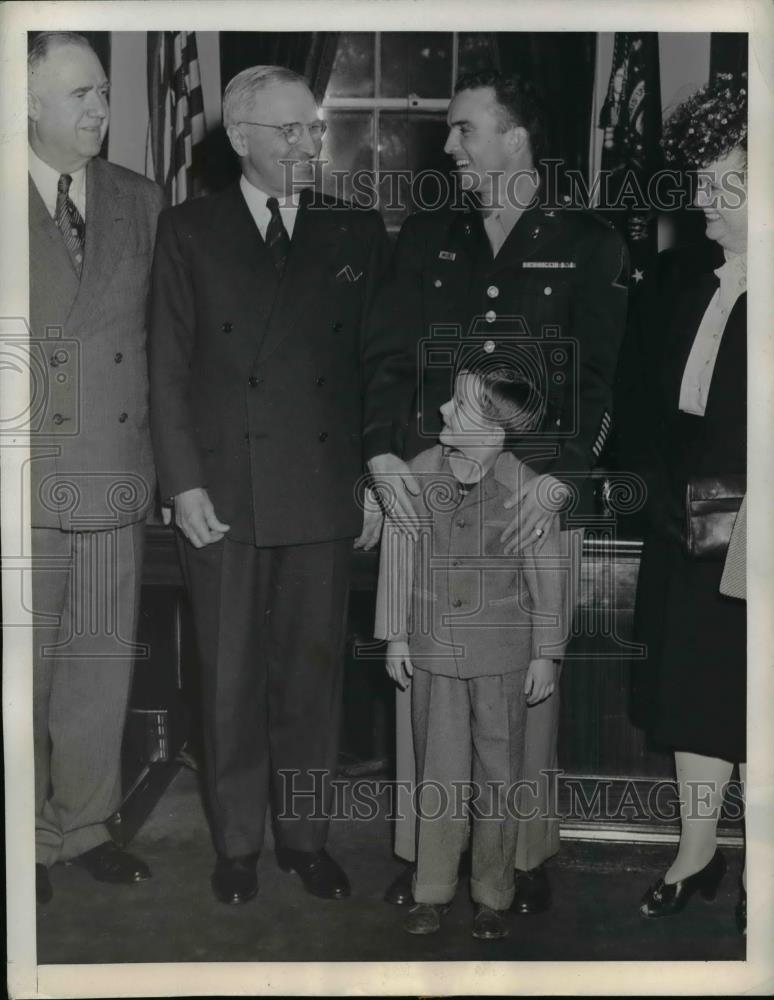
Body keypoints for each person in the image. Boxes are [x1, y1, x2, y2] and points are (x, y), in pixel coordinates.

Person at [364, 69, 629, 914]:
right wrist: (382, 457)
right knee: (429, 687)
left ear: (517, 138)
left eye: (464, 129)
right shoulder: (428, 235)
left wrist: (560, 480)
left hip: (532, 491)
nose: (449, 145)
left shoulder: (589, 241)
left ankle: (517, 854)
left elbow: (599, 377)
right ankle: (426, 849)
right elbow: (389, 358)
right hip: (434, 483)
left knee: (522, 692)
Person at [148, 65, 390, 906]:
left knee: (312, 678)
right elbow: (166, 370)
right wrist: (182, 485)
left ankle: (306, 838)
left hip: (322, 488)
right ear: (241, 138)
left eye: (313, 130)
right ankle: (239, 844)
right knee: (228, 675)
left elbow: (377, 369)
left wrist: (373, 479)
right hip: (223, 490)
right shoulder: (187, 230)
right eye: (288, 130)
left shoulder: (355, 231)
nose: (306, 145)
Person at [27, 32, 166, 905]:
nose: (98, 108)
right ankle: (24, 839)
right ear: (26, 103)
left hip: (115, 472)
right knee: (22, 674)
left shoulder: (140, 200)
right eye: (78, 94)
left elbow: (166, 346)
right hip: (25, 477)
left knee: (99, 665)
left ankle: (84, 827)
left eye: (104, 91)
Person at [374, 353, 568, 939]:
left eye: (456, 405)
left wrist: (546, 651)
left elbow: (547, 574)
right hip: (432, 651)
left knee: (500, 775)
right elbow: (398, 560)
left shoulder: (528, 489)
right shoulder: (417, 473)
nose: (439, 410)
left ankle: (493, 892)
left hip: (504, 657)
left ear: (495, 427)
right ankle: (430, 889)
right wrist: (395, 636)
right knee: (437, 773)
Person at [617, 76, 747, 935]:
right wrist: (662, 496)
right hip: (689, 517)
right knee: (695, 693)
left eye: (719, 178)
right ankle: (697, 853)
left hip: (761, 525)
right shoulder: (684, 273)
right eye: (697, 177)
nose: (699, 196)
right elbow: (639, 403)